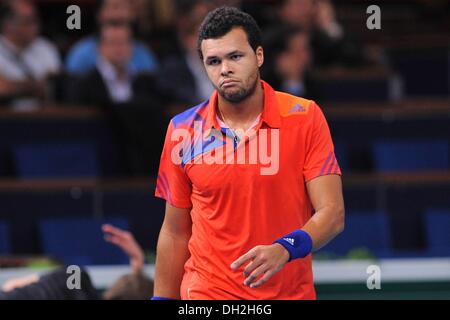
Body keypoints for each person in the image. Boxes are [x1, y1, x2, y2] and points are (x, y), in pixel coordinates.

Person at [153, 6, 345, 300]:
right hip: (207, 293)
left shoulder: (305, 116)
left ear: (258, 56)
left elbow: (332, 214)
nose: (224, 69)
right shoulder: (182, 130)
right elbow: (174, 231)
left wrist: (285, 248)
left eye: (235, 57)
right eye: (213, 61)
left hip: (289, 294)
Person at [0, 224, 153, 300]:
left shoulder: (76, 275)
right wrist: (137, 262)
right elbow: (136, 288)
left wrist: (137, 262)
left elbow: (11, 285)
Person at [65, 0, 158, 76]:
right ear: (99, 14)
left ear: (133, 14)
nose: (118, 14)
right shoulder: (81, 54)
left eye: (123, 7)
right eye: (114, 7)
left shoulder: (144, 55)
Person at [0, 0, 61, 110]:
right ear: (7, 25)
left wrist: (13, 87)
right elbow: (2, 89)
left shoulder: (46, 48)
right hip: (6, 120)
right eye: (28, 21)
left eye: (36, 20)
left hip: (44, 118)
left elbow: (56, 86)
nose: (35, 26)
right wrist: (36, 87)